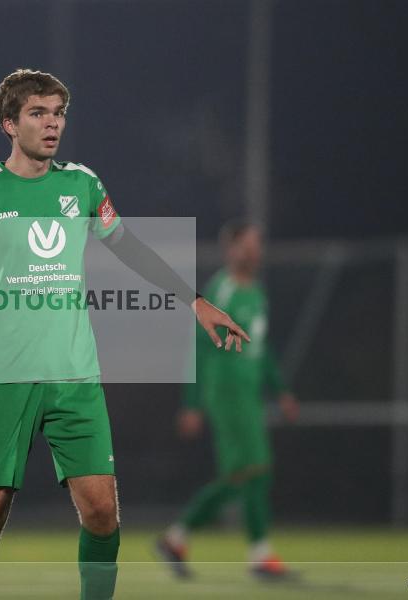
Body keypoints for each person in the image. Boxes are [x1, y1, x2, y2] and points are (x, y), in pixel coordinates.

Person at [0, 69, 250, 600]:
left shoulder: (82, 185)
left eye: (58, 113)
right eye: (38, 113)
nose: (52, 124)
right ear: (9, 123)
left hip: (75, 378)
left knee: (102, 511)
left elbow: (129, 246)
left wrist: (194, 300)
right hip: (6, 378)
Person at [156, 221, 299, 579]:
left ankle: (176, 538)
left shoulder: (257, 293)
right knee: (254, 468)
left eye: (257, 245)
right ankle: (260, 555)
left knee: (242, 475)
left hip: (248, 394)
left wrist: (279, 389)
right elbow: (200, 346)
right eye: (247, 245)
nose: (254, 251)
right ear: (231, 249)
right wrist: (192, 402)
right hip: (226, 391)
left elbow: (261, 350)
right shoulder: (222, 288)